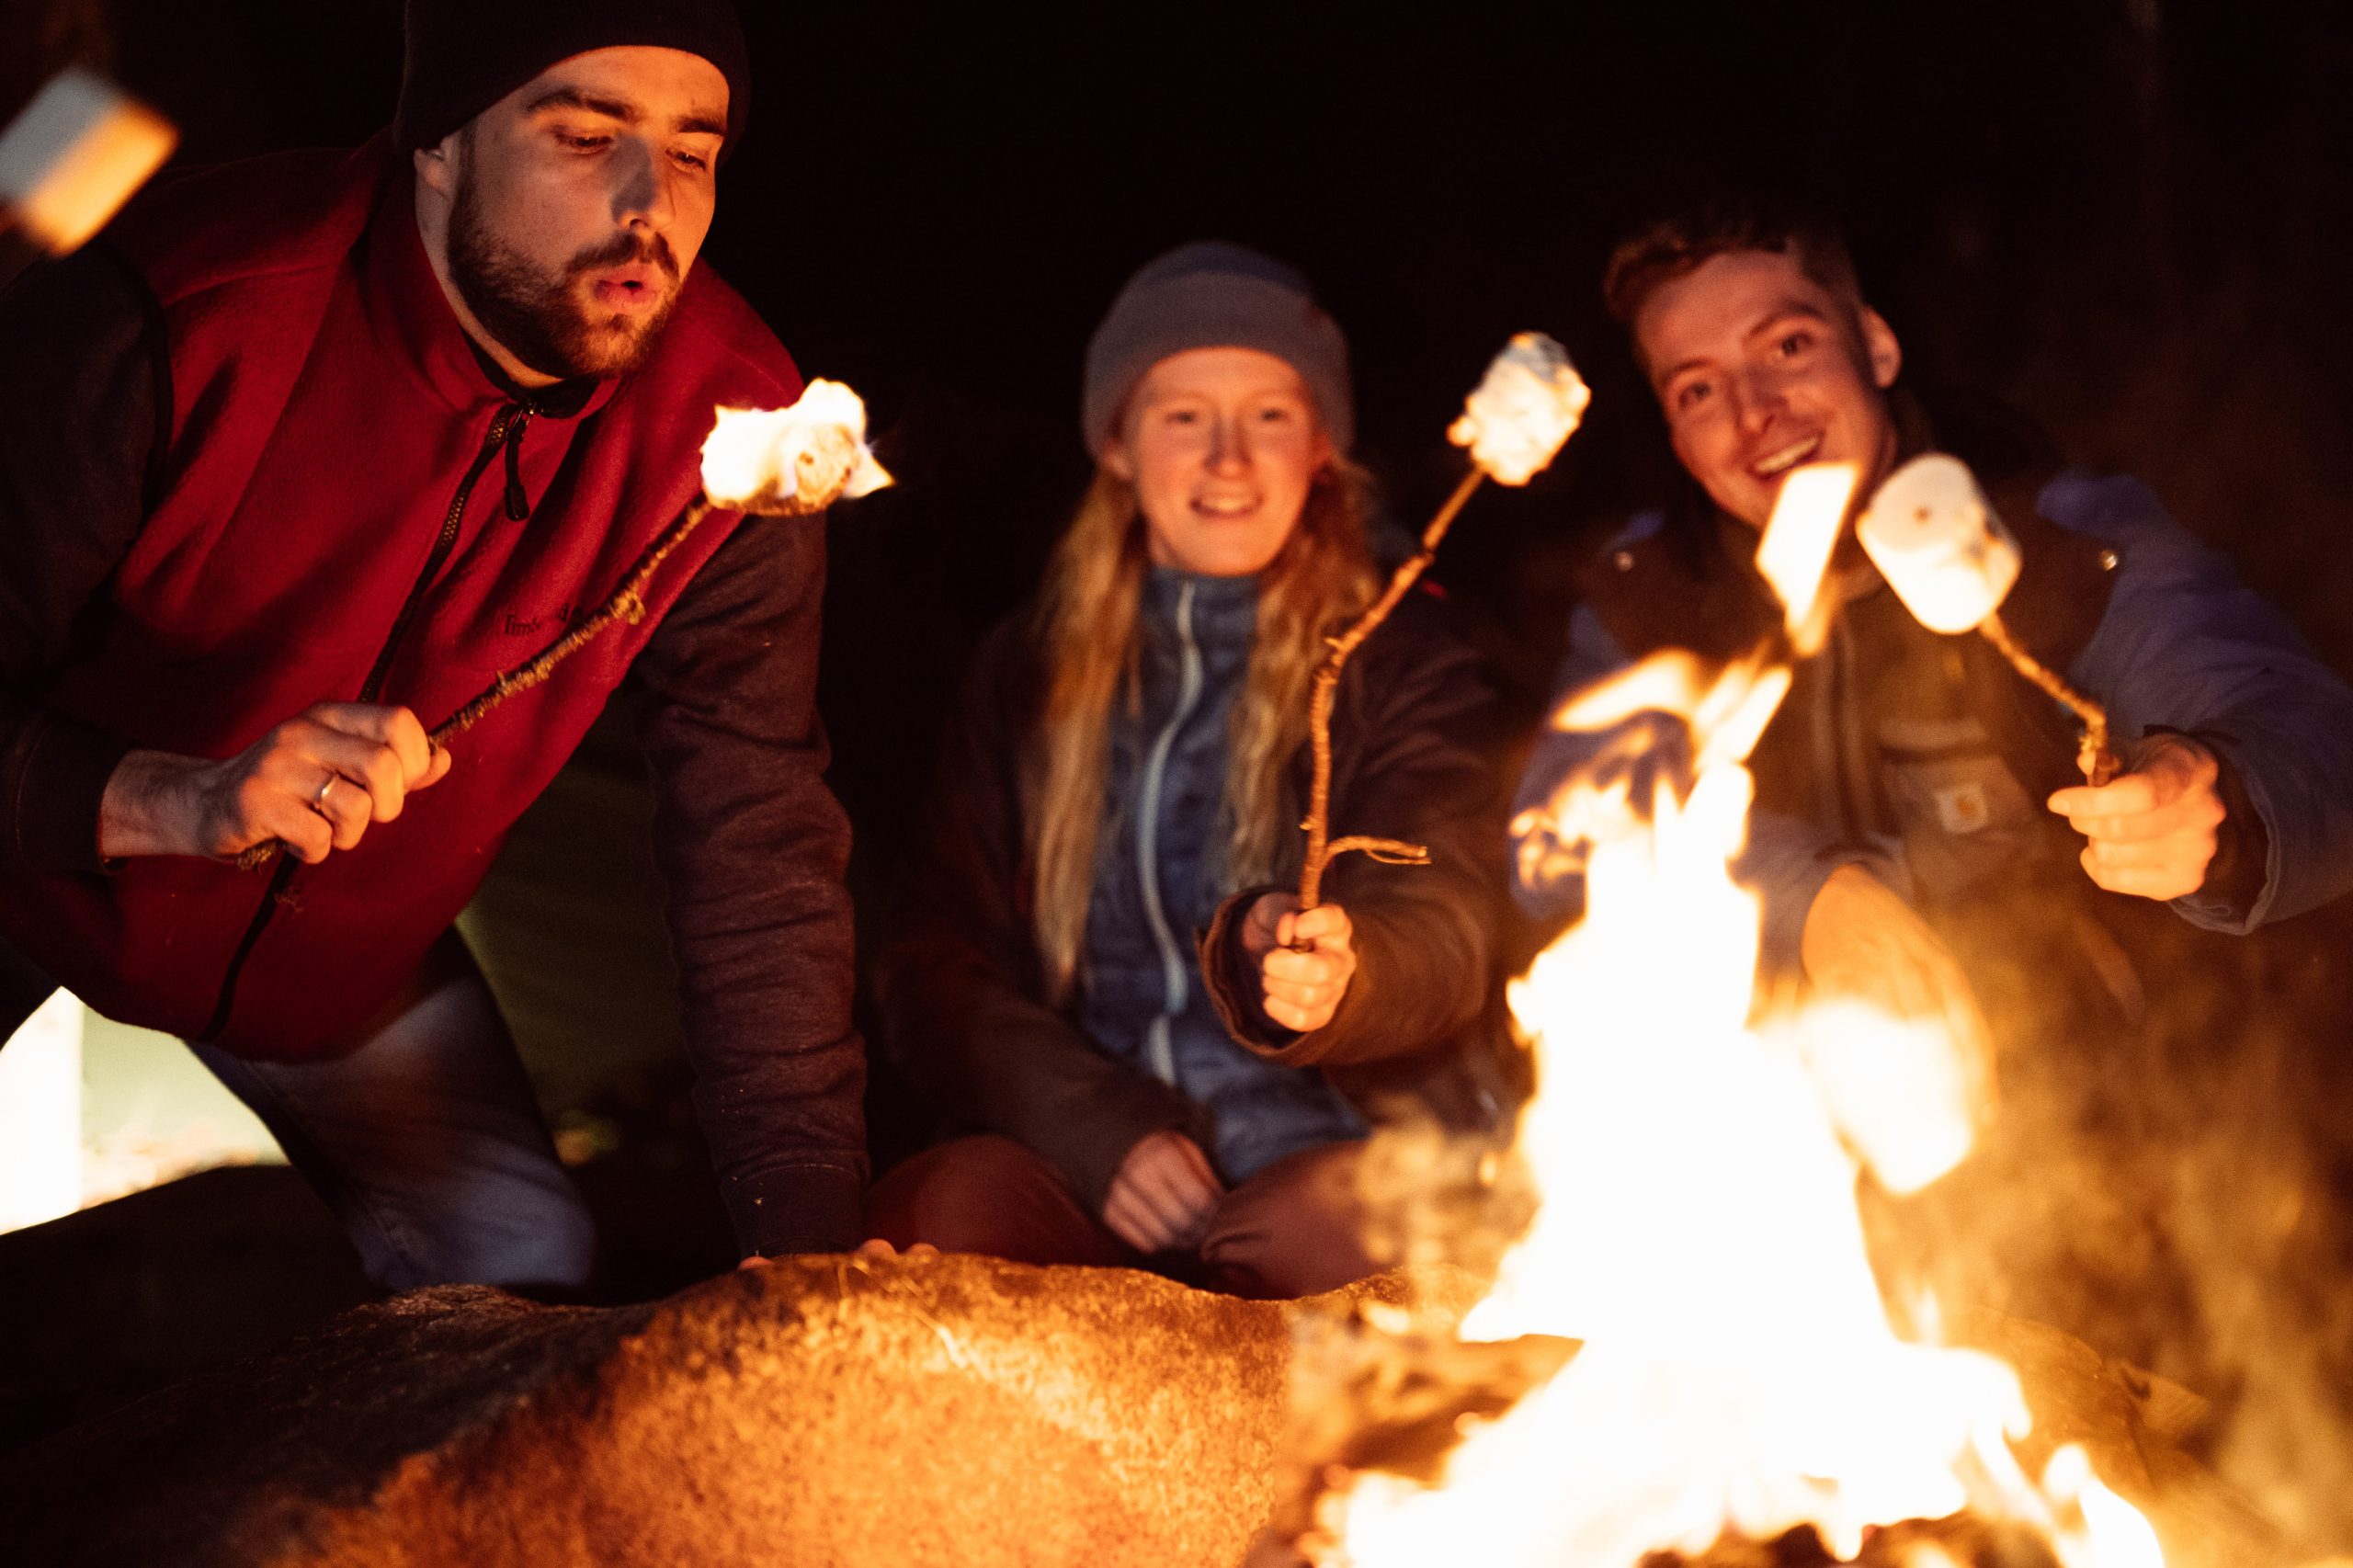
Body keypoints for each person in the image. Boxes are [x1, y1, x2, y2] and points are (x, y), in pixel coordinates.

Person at [0, 0, 867, 1290]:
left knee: (522, 1267)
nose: (652, 205)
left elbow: (755, 837)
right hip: (33, 866)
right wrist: (169, 796)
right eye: (585, 134)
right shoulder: (187, 309)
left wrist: (808, 1249)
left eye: (695, 151)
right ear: (438, 142)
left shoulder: (739, 431)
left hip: (340, 965)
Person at [1516, 196, 2353, 1029]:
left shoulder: (2064, 540)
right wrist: (1804, 900)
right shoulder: (1652, 592)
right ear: (1675, 436)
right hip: (1790, 1100)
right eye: (1698, 390)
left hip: (2096, 1088)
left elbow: (2312, 736)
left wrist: (2221, 804)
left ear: (1875, 346)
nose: (1755, 411)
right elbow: (1553, 830)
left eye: (1789, 345)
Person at [870, 244, 1512, 1298]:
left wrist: (1348, 976)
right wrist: (1093, 1127)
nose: (1227, 459)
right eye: (1182, 416)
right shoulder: (1023, 672)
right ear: (1117, 444)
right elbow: (931, 962)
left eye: (1267, 414)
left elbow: (1446, 908)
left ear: (1319, 447)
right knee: (935, 1216)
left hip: (1343, 1146)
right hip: (1104, 1165)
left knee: (1301, 1239)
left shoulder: (1396, 655)